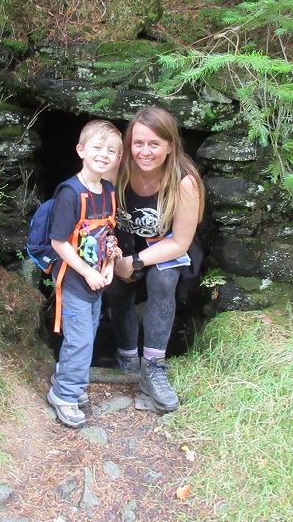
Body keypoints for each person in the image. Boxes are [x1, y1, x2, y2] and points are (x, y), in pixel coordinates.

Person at [105, 107, 205, 412]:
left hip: (165, 246)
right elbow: (96, 212)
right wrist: (113, 254)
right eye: (138, 143)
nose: (144, 152)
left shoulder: (184, 181)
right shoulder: (117, 168)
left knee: (163, 281)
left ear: (170, 146)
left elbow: (180, 242)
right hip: (122, 241)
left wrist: (135, 262)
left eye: (154, 144)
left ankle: (153, 366)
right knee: (116, 289)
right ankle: (127, 357)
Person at [47, 120, 123, 428]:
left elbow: (108, 234)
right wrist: (88, 273)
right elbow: (58, 242)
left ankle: (67, 378)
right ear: (81, 150)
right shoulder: (71, 193)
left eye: (112, 151)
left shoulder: (109, 192)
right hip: (74, 280)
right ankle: (64, 394)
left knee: (86, 336)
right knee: (80, 340)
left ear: (118, 158)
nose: (104, 155)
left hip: (96, 280)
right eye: (97, 147)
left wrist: (109, 266)